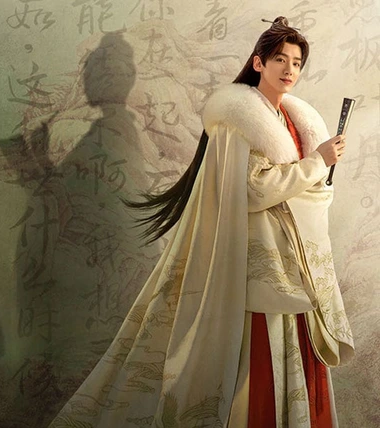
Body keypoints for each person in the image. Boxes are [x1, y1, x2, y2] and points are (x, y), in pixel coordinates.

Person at [49, 17, 353, 428]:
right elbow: (253, 190)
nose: (289, 69)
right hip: (256, 259)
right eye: (280, 59)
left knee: (294, 352)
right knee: (257, 362)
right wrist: (317, 163)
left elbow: (299, 189)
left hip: (294, 261)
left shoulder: (294, 119)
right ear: (258, 63)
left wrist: (319, 171)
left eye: (297, 63)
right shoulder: (240, 119)